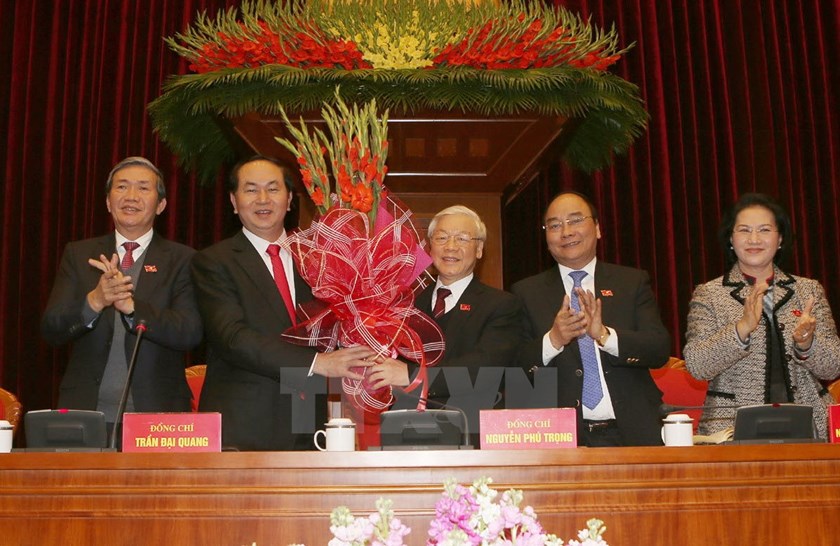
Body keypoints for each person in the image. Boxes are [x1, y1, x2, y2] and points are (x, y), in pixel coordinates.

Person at [191, 155, 375, 451]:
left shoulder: (318, 259)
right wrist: (319, 363)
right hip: (246, 426)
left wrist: (371, 333)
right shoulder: (213, 262)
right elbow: (233, 338)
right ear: (234, 201)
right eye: (251, 190)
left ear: (289, 199)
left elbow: (337, 325)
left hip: (309, 424)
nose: (263, 199)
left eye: (273, 189)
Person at [41, 156, 202, 434]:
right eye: (122, 187)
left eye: (143, 188)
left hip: (157, 415)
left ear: (161, 204)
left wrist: (132, 308)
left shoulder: (183, 259)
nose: (131, 196)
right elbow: (51, 329)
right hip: (86, 412)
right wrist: (95, 300)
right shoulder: (79, 254)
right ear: (107, 201)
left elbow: (190, 332)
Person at [511, 191, 671, 447]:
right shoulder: (526, 292)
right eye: (554, 225)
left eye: (575, 221)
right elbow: (513, 367)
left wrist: (606, 336)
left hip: (632, 431)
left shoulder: (631, 282)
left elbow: (658, 349)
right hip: (560, 439)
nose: (565, 232)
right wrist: (553, 340)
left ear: (597, 228)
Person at [684, 193, 840, 439]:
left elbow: (833, 365)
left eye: (764, 230)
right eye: (744, 230)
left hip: (809, 424)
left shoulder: (807, 290)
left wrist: (806, 344)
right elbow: (697, 366)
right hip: (732, 427)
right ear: (731, 240)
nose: (754, 239)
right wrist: (741, 329)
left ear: (779, 239)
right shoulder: (710, 294)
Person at [374, 205, 524, 446]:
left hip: (470, 436)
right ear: (430, 247)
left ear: (479, 249)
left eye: (462, 238)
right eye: (442, 238)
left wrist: (411, 376)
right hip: (406, 435)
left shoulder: (502, 305)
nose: (451, 246)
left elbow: (483, 371)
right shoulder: (405, 304)